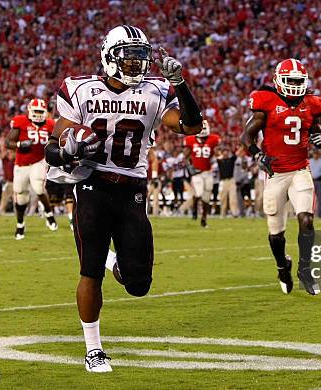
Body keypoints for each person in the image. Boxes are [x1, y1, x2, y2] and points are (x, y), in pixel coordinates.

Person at [44, 25, 203, 372]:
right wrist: (68, 148)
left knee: (139, 284)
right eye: (129, 58)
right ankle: (93, 349)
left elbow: (191, 126)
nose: (136, 65)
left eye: (141, 58)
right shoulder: (81, 89)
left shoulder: (156, 91)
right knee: (89, 273)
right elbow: (54, 143)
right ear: (109, 57)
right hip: (92, 186)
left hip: (132, 189)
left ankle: (111, 261)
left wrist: (180, 83)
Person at [241, 58, 321, 295]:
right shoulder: (265, 102)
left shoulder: (313, 103)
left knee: (306, 219)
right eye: (290, 81)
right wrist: (258, 155)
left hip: (300, 170)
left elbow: (319, 131)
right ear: (278, 81)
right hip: (275, 174)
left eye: (299, 81)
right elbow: (246, 138)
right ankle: (282, 267)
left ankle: (305, 270)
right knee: (275, 233)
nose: (295, 86)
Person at [6, 98, 58, 239]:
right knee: (20, 194)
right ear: (29, 111)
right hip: (21, 164)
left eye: (41, 111)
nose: (38, 114)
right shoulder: (20, 121)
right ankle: (20, 223)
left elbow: (58, 141)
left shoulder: (50, 124)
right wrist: (19, 145)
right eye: (36, 111)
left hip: (39, 161)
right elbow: (8, 142)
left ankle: (49, 214)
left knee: (38, 187)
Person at [183, 120, 220, 227]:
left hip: (208, 172)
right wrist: (190, 167)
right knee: (198, 193)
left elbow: (217, 153)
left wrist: (217, 156)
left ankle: (204, 218)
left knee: (206, 197)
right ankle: (195, 210)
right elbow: (185, 155)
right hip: (197, 173)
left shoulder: (213, 139)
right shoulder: (190, 140)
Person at [217, 146, 239, 217]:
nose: (225, 153)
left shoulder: (231, 159)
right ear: (222, 153)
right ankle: (223, 213)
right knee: (223, 198)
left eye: (227, 152)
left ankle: (234, 213)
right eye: (224, 152)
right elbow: (216, 153)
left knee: (233, 197)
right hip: (223, 181)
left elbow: (238, 153)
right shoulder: (219, 161)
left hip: (231, 180)